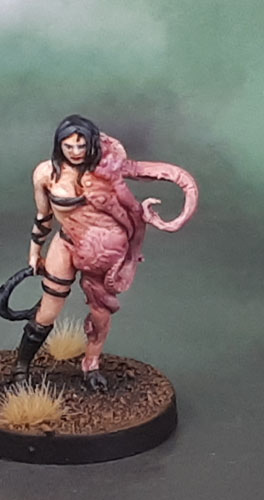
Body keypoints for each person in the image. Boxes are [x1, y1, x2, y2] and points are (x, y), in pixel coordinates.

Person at [13, 115, 198, 390]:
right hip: (66, 242)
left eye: (81, 145)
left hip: (103, 253)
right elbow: (44, 217)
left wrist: (153, 219)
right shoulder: (45, 174)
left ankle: (91, 364)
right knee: (48, 311)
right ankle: (21, 367)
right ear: (58, 145)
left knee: (100, 314)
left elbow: (136, 205)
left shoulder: (107, 172)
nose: (76, 152)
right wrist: (34, 252)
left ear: (91, 143)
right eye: (68, 146)